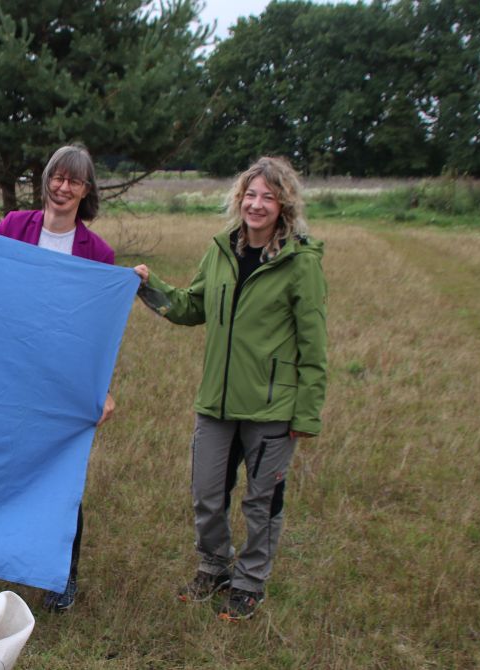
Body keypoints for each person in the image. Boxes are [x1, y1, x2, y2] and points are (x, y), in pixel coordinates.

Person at [133, 156, 327, 621]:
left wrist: (306, 414)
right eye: (250, 195)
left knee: (262, 501)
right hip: (216, 403)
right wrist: (146, 286)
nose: (256, 205)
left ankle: (250, 582)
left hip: (271, 408)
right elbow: (190, 306)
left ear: (284, 205)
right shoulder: (220, 250)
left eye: (268, 197)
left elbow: (314, 345)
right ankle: (215, 567)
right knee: (207, 493)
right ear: (239, 199)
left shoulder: (301, 264)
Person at [0, 143, 116, 613]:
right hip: (7, 369)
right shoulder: (12, 227)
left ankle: (62, 575)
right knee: (4, 465)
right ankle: (7, 557)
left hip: (62, 379)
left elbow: (100, 331)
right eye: (56, 177)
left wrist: (102, 388)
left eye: (73, 181)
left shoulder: (99, 253)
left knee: (60, 475)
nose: (62, 187)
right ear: (46, 180)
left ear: (85, 191)